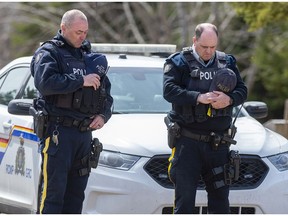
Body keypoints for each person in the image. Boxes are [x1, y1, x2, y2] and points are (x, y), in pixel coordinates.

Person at [30, 9, 113, 214]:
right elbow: (45, 83)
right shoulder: (49, 53)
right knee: (53, 195)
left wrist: (103, 116)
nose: (82, 36)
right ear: (63, 28)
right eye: (78, 32)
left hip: (84, 136)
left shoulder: (89, 57)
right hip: (59, 133)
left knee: (76, 197)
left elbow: (107, 94)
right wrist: (80, 81)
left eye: (85, 32)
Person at [163, 23, 247, 214]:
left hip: (218, 144)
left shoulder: (227, 63)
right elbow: (169, 91)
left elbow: (242, 90)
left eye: (213, 47)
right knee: (185, 202)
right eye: (204, 47)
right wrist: (198, 98)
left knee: (220, 201)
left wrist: (229, 99)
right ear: (194, 41)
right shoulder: (178, 62)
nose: (209, 51)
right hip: (188, 142)